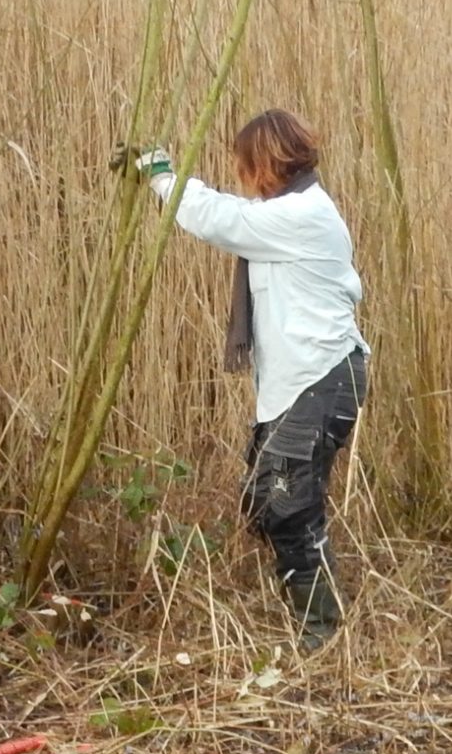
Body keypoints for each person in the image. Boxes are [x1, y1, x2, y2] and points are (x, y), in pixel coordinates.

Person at [132, 110, 368, 651]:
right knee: (268, 499)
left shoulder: (302, 215)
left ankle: (322, 636)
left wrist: (164, 176)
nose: (241, 172)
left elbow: (221, 219)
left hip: (321, 379)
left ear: (266, 160)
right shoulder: (290, 210)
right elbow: (237, 213)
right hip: (306, 382)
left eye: (245, 162)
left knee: (288, 503)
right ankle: (314, 617)